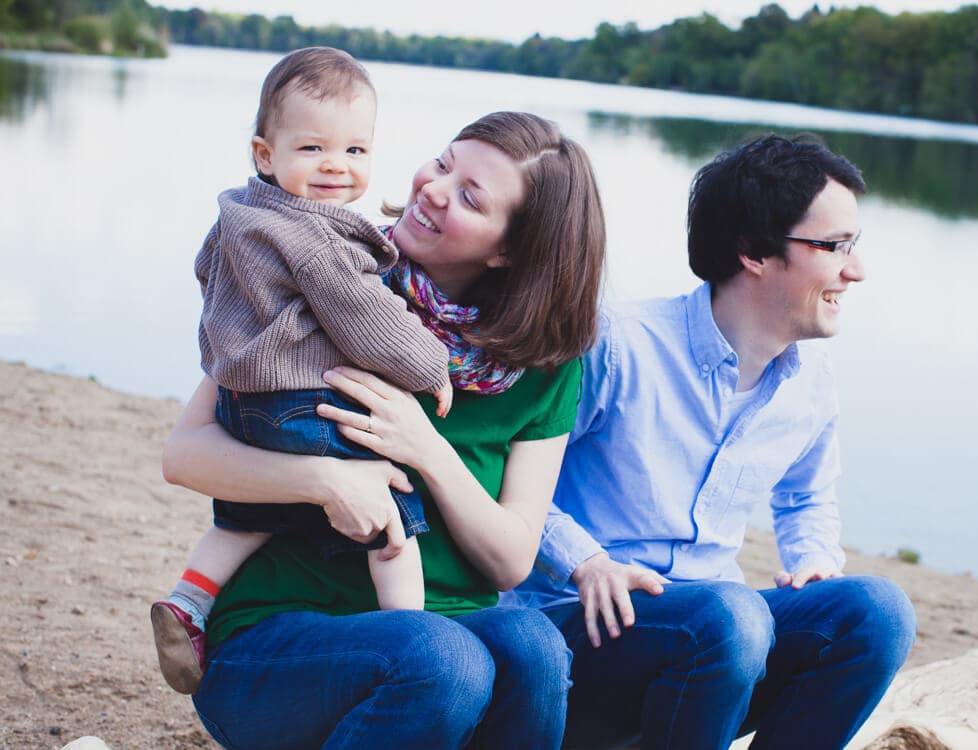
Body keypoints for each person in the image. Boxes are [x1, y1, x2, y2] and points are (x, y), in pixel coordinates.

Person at [160, 109, 606, 749]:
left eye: (470, 197)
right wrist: (325, 479)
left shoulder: (546, 364)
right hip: (279, 636)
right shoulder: (329, 270)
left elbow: (510, 560)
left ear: (511, 249)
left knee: (533, 644)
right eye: (445, 163)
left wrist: (424, 448)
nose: (434, 187)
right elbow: (185, 454)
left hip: (445, 626)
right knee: (440, 659)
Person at [506, 133, 917, 749]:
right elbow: (510, 482)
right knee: (729, 615)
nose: (854, 270)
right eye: (833, 247)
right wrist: (585, 560)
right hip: (577, 630)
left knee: (876, 612)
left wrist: (813, 559)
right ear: (753, 251)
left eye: (853, 246)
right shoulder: (618, 344)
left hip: (720, 641)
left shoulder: (812, 381)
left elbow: (806, 500)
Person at [151, 46, 457, 696]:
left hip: (243, 402)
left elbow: (207, 279)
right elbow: (368, 323)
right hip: (303, 404)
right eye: (312, 148)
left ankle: (188, 601)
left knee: (246, 515)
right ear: (265, 153)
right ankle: (410, 628)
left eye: (355, 151)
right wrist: (431, 365)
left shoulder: (237, 213)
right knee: (394, 508)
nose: (334, 167)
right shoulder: (320, 240)